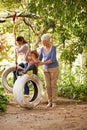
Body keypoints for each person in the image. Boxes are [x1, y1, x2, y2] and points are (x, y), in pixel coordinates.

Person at [38, 34, 59, 108]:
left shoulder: (53, 48)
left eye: (43, 41)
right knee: (47, 86)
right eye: (41, 41)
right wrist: (33, 61)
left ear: (48, 41)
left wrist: (42, 63)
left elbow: (52, 60)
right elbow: (39, 59)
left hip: (53, 68)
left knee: (53, 85)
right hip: (45, 69)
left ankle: (54, 102)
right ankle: (49, 101)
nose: (42, 43)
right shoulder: (41, 48)